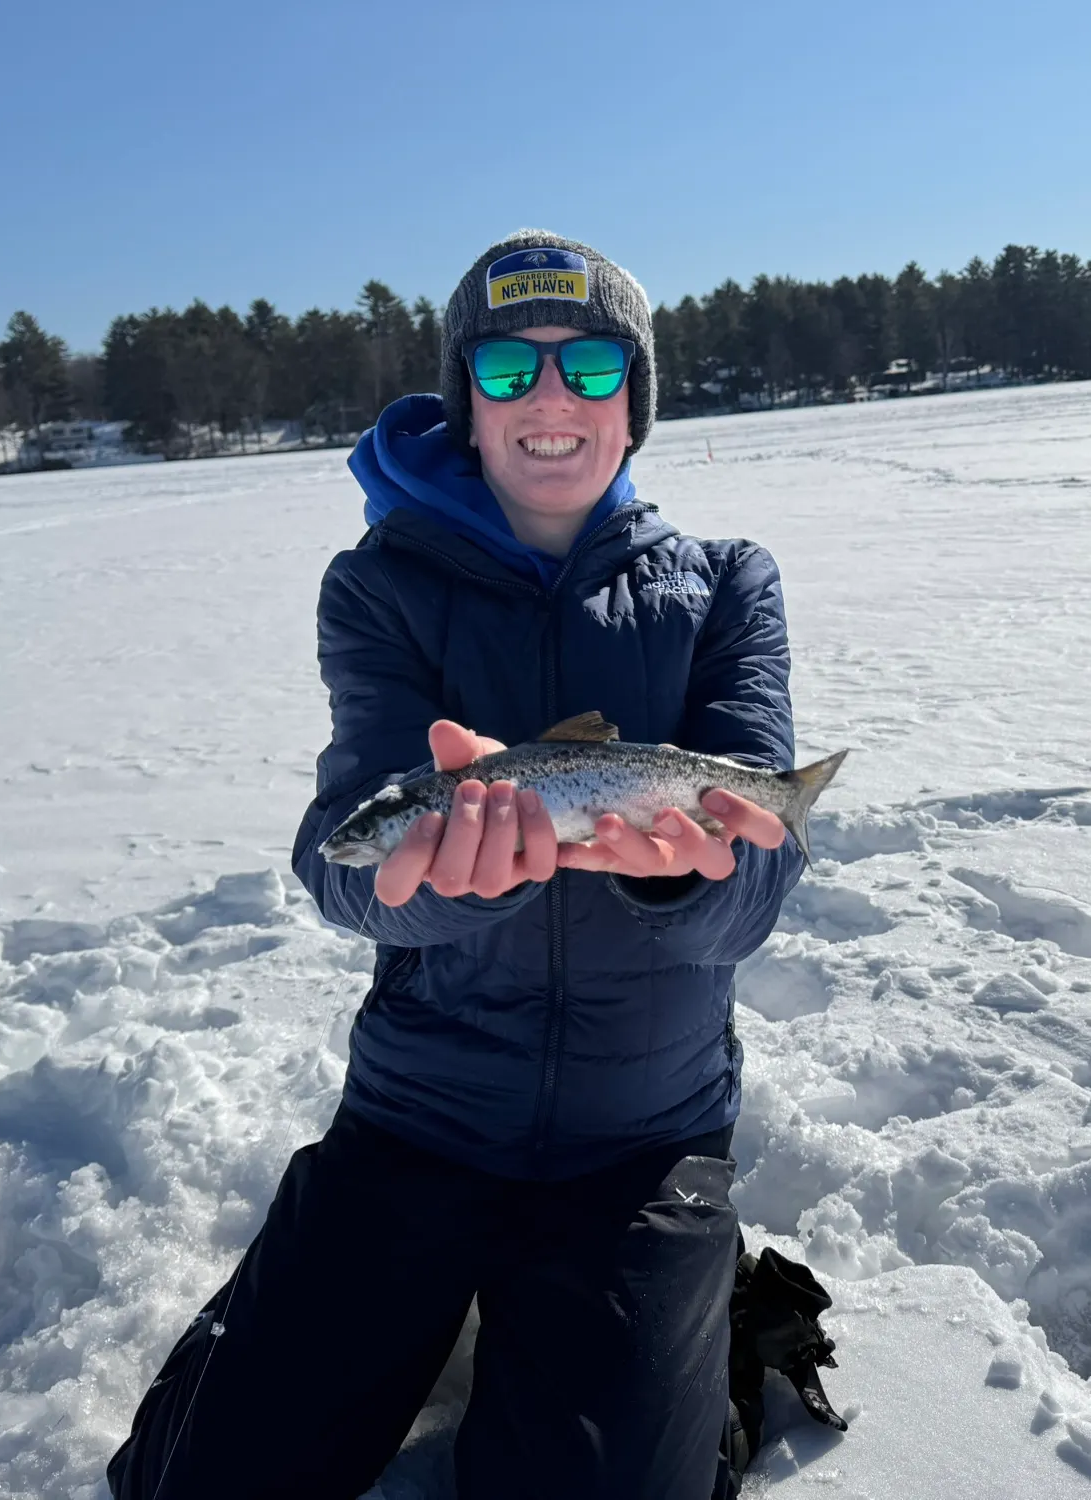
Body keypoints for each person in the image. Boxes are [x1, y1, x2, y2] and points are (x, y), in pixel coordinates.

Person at [107, 230, 806, 1500]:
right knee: (196, 1484)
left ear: (634, 405)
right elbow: (339, 860)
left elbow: (755, 897)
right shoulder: (381, 591)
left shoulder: (724, 591)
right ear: (466, 402)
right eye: (509, 366)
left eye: (593, 366)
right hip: (418, 1123)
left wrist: (681, 873)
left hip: (642, 1144)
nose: (552, 396)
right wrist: (430, 880)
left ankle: (690, 1334)